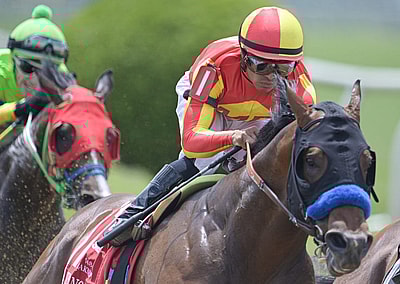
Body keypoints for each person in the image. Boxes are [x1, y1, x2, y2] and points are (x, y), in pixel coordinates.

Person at [109, 6, 317, 246]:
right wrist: (232, 137)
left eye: (282, 68)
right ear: (244, 57)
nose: (272, 76)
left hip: (259, 113)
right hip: (213, 104)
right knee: (203, 163)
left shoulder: (300, 84)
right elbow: (192, 141)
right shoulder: (215, 68)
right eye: (261, 65)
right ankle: (135, 212)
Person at [0, 4, 70, 138]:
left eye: (46, 74)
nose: (35, 80)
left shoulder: (64, 80)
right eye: (28, 67)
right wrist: (19, 109)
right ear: (12, 60)